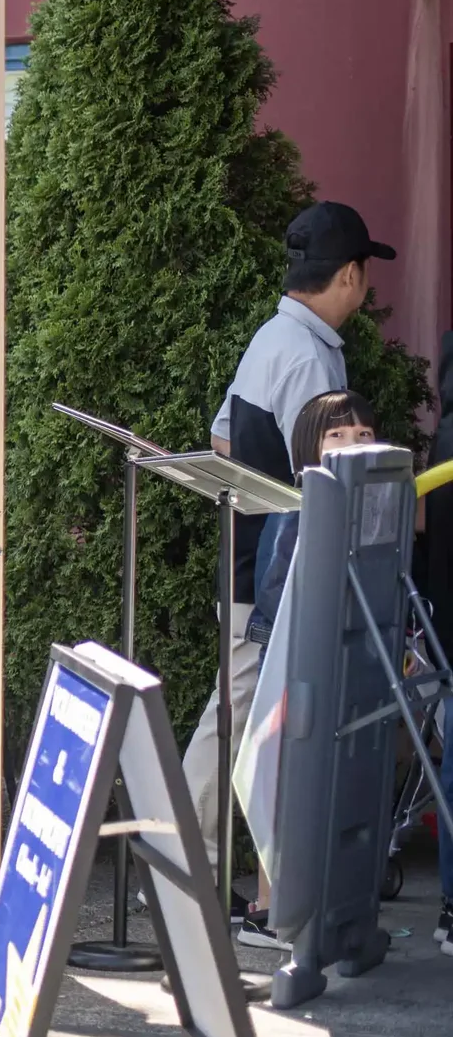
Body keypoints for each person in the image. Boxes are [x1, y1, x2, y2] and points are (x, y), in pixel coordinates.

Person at [196, 200, 390, 868]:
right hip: (275, 575)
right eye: (365, 273)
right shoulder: (310, 357)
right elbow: (327, 478)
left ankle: (192, 868)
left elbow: (222, 438)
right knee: (238, 720)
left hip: (250, 557)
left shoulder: (274, 337)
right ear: (350, 275)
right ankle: (183, 869)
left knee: (236, 715)